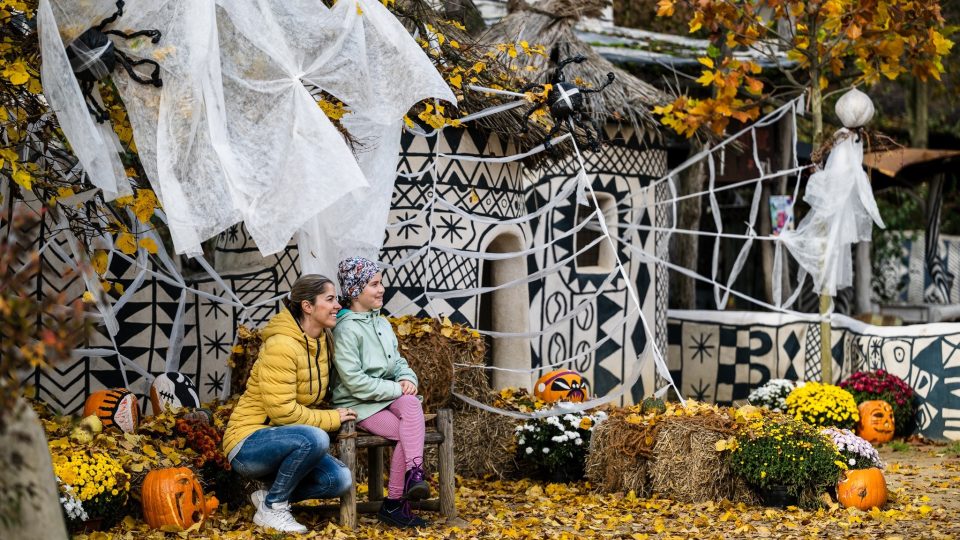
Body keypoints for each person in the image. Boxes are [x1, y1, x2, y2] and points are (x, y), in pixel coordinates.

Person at [222, 275, 356, 534]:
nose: (337, 305)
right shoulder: (281, 345)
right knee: (315, 439)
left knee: (339, 480)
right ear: (307, 306)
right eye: (329, 299)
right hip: (248, 444)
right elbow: (282, 412)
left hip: (288, 441)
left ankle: (268, 497)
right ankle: (274, 509)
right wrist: (332, 418)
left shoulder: (322, 341)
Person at [331, 257, 430, 528]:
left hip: (387, 397)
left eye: (381, 282)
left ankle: (414, 473)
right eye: (374, 284)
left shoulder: (382, 323)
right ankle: (396, 503)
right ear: (354, 291)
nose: (381, 288)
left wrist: (407, 378)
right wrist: (395, 388)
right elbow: (354, 381)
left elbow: (396, 361)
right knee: (405, 433)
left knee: (411, 404)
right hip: (360, 403)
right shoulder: (346, 329)